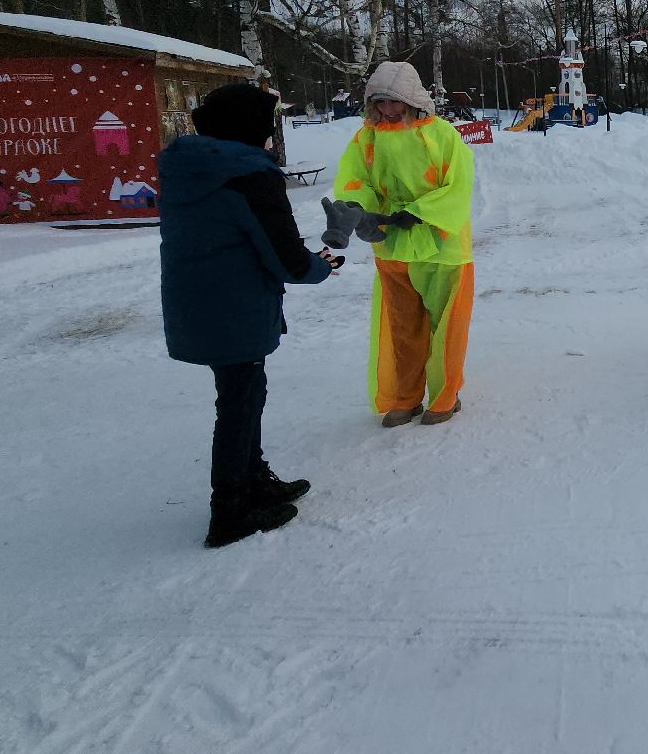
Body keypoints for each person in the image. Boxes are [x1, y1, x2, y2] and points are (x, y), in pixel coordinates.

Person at [160, 82, 339, 549]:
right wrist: (323, 265)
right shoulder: (249, 175)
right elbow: (289, 260)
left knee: (243, 392)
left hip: (198, 301)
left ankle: (254, 478)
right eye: (266, 126)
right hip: (235, 305)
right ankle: (230, 510)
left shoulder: (191, 168)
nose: (269, 138)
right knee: (238, 403)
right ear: (247, 128)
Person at [333, 61, 476, 428]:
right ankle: (405, 397)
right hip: (391, 244)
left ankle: (446, 396)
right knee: (402, 328)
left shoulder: (442, 135)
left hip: (441, 243)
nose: (387, 110)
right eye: (379, 102)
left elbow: (458, 185)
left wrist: (420, 211)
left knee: (447, 325)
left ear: (411, 99)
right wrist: (356, 209)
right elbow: (353, 180)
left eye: (394, 101)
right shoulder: (366, 137)